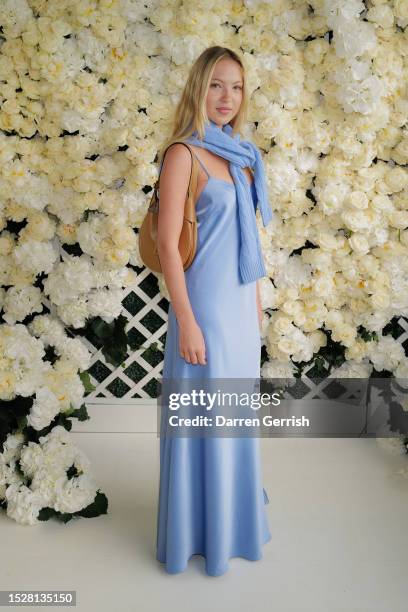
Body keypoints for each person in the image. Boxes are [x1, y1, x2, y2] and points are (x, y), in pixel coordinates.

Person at [155, 45, 273, 577]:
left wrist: (256, 311)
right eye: (217, 85)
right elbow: (165, 246)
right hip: (202, 313)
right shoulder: (184, 154)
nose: (228, 97)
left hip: (239, 314)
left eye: (237, 87)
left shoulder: (243, 156)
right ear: (199, 87)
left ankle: (233, 525)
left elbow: (246, 249)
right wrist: (187, 320)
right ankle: (197, 533)